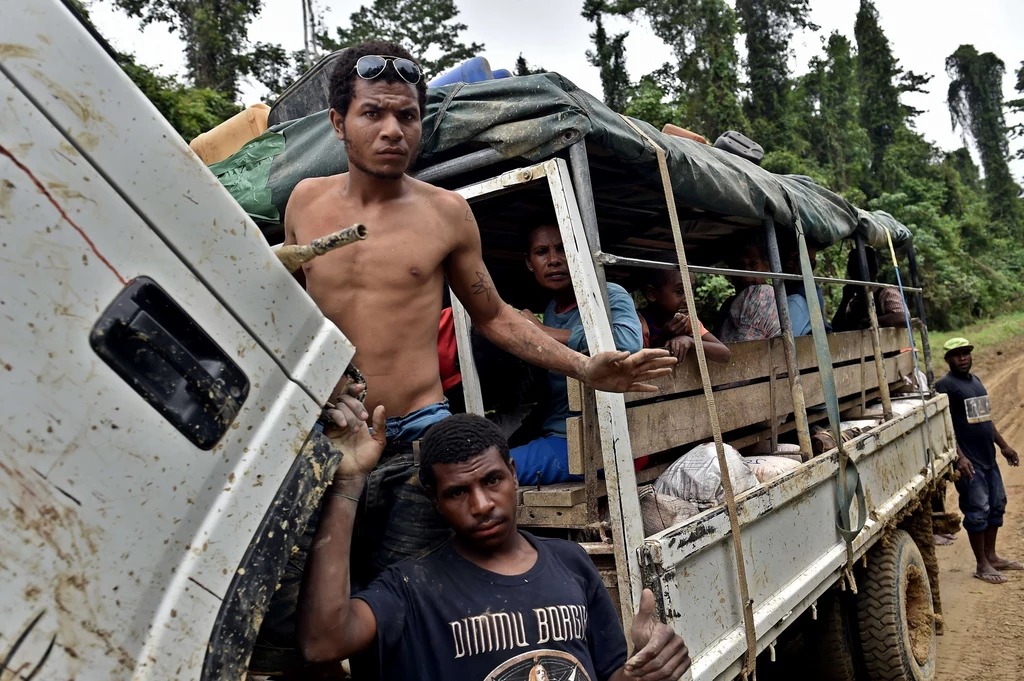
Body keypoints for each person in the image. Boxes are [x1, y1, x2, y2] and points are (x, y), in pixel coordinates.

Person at [258, 41, 676, 674]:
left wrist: (587, 368)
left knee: (412, 613)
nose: (394, 130)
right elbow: (291, 318)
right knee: (301, 623)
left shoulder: (446, 214)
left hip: (420, 446)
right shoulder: (304, 203)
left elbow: (495, 316)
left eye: (408, 115)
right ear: (339, 122)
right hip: (328, 436)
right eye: (374, 113)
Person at [298, 406, 692, 681]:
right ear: (435, 500)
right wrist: (348, 483)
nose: (481, 505)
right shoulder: (410, 589)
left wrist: (646, 671)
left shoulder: (571, 562)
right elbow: (323, 642)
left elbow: (611, 676)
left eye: (491, 481)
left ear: (514, 475)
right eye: (456, 492)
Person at [511, 224, 644, 484]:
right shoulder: (552, 309)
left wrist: (541, 332)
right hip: (561, 433)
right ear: (529, 263)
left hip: (598, 441)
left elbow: (628, 344)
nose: (554, 260)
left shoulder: (608, 294)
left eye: (562, 249)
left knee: (492, 470)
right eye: (542, 252)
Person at [936, 337, 1021, 584]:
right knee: (977, 511)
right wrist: (959, 457)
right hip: (968, 462)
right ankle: (981, 565)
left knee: (996, 507)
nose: (963, 358)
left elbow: (984, 419)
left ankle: (992, 557)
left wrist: (1003, 446)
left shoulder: (976, 382)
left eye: (966, 353)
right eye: (956, 354)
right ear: (948, 359)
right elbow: (943, 426)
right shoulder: (945, 386)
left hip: (988, 459)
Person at [640, 267, 732, 363]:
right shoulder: (640, 324)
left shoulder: (687, 321)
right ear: (651, 294)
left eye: (690, 290)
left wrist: (690, 341)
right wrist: (663, 337)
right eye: (679, 291)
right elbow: (640, 365)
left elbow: (725, 355)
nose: (689, 299)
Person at [717, 239, 781, 342]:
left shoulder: (763, 294)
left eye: (753, 264)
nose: (746, 275)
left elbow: (746, 345)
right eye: (740, 266)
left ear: (766, 266)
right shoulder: (729, 304)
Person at [831, 247, 905, 331]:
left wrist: (869, 322)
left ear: (873, 272)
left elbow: (902, 318)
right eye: (853, 275)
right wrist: (844, 300)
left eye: (857, 274)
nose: (854, 279)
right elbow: (836, 327)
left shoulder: (887, 292)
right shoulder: (854, 302)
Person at [783, 245, 831, 336]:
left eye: (797, 259)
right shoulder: (785, 291)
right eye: (787, 257)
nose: (789, 263)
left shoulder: (799, 299)